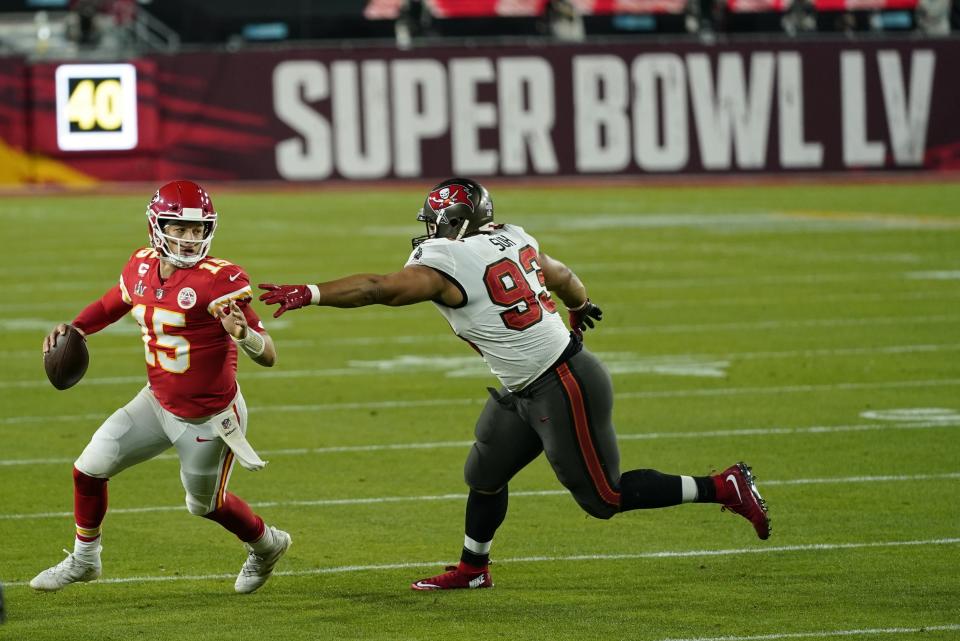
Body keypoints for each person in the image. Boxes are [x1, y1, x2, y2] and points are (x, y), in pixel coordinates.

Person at [258, 177, 770, 591]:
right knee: (484, 471)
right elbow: (563, 274)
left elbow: (379, 289)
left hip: (561, 382)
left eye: (440, 223)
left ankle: (723, 486)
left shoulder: (447, 263)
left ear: (459, 224)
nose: (432, 231)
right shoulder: (513, 235)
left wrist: (312, 292)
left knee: (604, 498)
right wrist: (578, 305)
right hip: (525, 385)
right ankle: (473, 567)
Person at [32, 180, 291, 595]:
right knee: (88, 469)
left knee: (205, 505)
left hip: (208, 416)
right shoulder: (139, 265)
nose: (188, 239)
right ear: (156, 225)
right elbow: (110, 304)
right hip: (156, 402)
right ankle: (84, 560)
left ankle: (266, 544)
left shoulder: (218, 280)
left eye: (196, 230)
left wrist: (244, 334)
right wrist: (76, 327)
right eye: (179, 228)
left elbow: (269, 355)